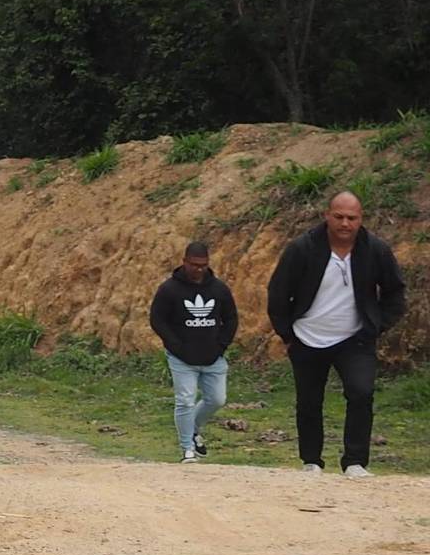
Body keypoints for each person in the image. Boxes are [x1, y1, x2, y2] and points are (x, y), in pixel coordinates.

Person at [266, 192, 405, 478]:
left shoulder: (375, 250)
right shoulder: (302, 248)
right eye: (339, 216)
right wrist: (287, 334)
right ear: (327, 215)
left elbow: (395, 292)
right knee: (308, 400)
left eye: (351, 218)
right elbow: (278, 293)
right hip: (307, 336)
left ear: (361, 219)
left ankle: (355, 461)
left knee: (361, 393)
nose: (345, 223)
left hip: (355, 339)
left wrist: (377, 325)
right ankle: (311, 460)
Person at [148, 241, 238, 464]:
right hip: (181, 359)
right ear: (184, 262)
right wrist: (175, 345)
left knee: (217, 399)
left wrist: (221, 345)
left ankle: (194, 427)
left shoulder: (218, 289)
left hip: (213, 357)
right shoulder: (169, 289)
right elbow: (157, 319)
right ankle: (187, 448)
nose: (198, 269)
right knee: (185, 400)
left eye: (203, 265)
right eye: (194, 264)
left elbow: (231, 318)